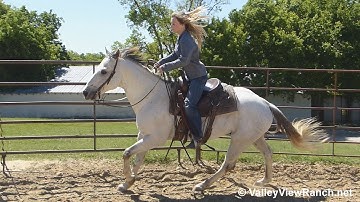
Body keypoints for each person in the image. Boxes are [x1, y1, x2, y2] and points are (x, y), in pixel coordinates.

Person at [154, 6, 208, 148]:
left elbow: (183, 60)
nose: (171, 26)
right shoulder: (181, 38)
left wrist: (164, 68)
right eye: (171, 23)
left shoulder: (187, 41)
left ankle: (198, 137)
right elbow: (174, 55)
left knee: (189, 105)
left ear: (182, 24)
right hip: (189, 77)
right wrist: (161, 61)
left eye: (174, 24)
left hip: (198, 77)